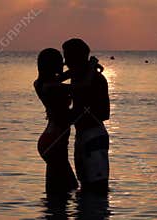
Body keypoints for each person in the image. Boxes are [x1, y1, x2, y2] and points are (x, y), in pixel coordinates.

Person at [62, 38, 110, 193]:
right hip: (83, 135)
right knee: (85, 185)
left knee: (97, 186)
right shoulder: (80, 74)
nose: (65, 61)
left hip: (93, 135)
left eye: (67, 56)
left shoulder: (94, 78)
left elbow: (103, 112)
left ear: (77, 57)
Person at [34, 48, 78, 194]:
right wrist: (90, 69)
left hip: (50, 141)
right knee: (68, 187)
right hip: (55, 142)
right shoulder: (51, 87)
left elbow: (62, 77)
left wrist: (77, 68)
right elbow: (81, 87)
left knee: (57, 190)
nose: (64, 63)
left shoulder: (40, 84)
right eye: (61, 61)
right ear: (53, 65)